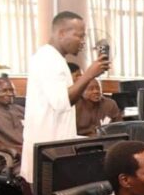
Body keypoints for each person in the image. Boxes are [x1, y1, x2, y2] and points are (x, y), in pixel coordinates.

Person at [21, 11, 111, 185]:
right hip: (46, 148)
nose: (83, 42)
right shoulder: (47, 59)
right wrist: (89, 74)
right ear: (61, 33)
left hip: (57, 146)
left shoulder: (57, 60)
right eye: (79, 36)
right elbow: (63, 101)